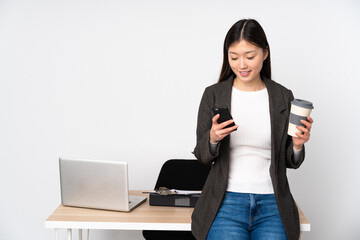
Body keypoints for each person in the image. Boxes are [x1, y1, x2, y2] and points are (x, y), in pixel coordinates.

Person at [191, 19, 313, 240]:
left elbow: (290, 161)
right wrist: (213, 138)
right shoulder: (213, 94)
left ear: (265, 53)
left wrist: (297, 145)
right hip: (225, 203)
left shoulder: (283, 96)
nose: (241, 65)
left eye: (250, 56)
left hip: (273, 205)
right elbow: (202, 155)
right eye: (234, 57)